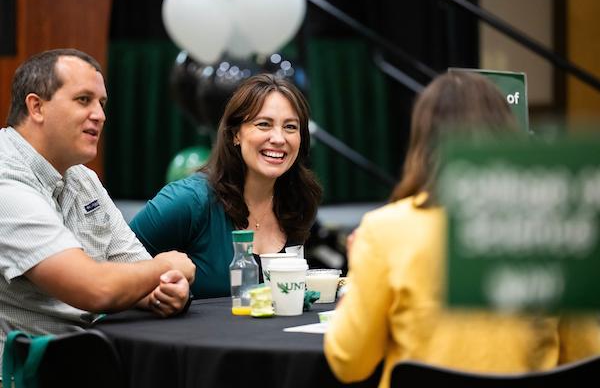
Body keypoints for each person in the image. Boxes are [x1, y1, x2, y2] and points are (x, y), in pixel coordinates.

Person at [324, 71, 600, 388]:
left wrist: (356, 278)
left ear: (422, 142)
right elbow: (587, 355)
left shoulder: (384, 231)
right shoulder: (547, 231)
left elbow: (349, 363)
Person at [0, 49, 196, 369]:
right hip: (23, 375)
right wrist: (166, 265)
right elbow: (95, 289)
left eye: (101, 103)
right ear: (36, 107)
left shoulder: (82, 177)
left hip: (85, 363)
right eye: (83, 100)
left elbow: (138, 272)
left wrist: (164, 290)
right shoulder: (5, 180)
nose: (100, 115)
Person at [130, 74, 322, 299]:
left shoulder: (298, 202)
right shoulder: (188, 200)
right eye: (263, 124)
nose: (279, 138)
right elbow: (112, 265)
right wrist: (151, 298)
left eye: (290, 127)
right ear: (235, 134)